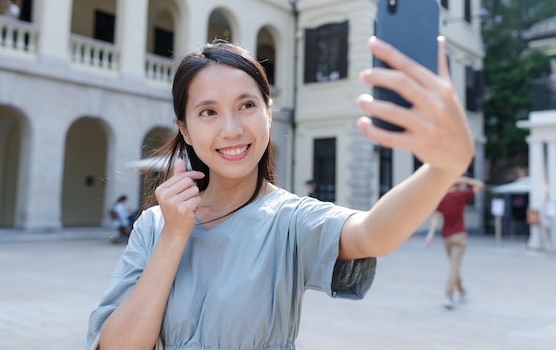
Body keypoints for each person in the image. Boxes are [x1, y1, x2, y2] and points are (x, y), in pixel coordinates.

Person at [86, 37, 474, 350]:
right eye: (209, 112)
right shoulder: (155, 226)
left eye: (247, 105)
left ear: (268, 113)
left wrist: (443, 167)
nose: (233, 129)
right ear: (184, 129)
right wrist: (174, 236)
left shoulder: (290, 221)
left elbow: (373, 234)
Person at [425, 175, 484, 310]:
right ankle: (448, 296)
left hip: (446, 237)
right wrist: (464, 180)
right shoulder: (461, 195)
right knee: (454, 266)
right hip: (459, 236)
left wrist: (431, 234)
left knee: (453, 265)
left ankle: (462, 290)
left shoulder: (443, 197)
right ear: (458, 185)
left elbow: (436, 217)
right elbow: (480, 185)